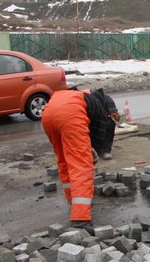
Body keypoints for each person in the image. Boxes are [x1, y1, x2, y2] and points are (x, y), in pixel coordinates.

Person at [41, 88, 113, 233]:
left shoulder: (78, 95)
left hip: (48, 114)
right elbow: (99, 136)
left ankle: (73, 201)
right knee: (82, 167)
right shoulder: (97, 106)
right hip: (70, 115)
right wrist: (93, 155)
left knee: (64, 161)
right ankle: (81, 220)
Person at [82, 89, 120, 160]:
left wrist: (113, 113)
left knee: (110, 123)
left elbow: (112, 109)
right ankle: (86, 151)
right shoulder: (82, 98)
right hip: (84, 118)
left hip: (100, 117)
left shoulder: (106, 98)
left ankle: (105, 151)